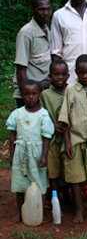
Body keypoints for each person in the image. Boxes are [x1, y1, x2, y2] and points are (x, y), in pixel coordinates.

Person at [58, 54, 87, 226]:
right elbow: (65, 118)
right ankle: (80, 210)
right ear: (76, 72)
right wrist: (67, 142)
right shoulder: (70, 90)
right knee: (75, 178)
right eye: (81, 73)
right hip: (74, 140)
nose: (85, 76)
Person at [7, 79, 55, 222]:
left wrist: (44, 156)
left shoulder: (43, 115)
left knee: (39, 182)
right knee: (20, 182)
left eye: (34, 93)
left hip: (37, 154)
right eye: (27, 94)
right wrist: (12, 153)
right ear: (22, 95)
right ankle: (19, 211)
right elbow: (12, 135)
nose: (30, 97)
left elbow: (46, 137)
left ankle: (40, 211)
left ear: (39, 94)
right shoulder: (17, 113)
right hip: (21, 154)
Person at [13, 0, 52, 108]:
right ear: (32, 10)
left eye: (48, 9)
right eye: (41, 9)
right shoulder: (26, 33)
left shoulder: (46, 29)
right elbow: (21, 69)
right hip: (30, 95)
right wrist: (28, 98)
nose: (46, 13)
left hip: (43, 91)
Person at [40, 60, 69, 194]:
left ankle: (69, 196)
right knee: (53, 171)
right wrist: (52, 126)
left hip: (69, 138)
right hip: (52, 139)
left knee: (68, 169)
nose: (60, 77)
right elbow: (42, 114)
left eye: (63, 74)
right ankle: (54, 198)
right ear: (50, 76)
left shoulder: (72, 90)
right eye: (56, 74)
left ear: (68, 76)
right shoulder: (45, 95)